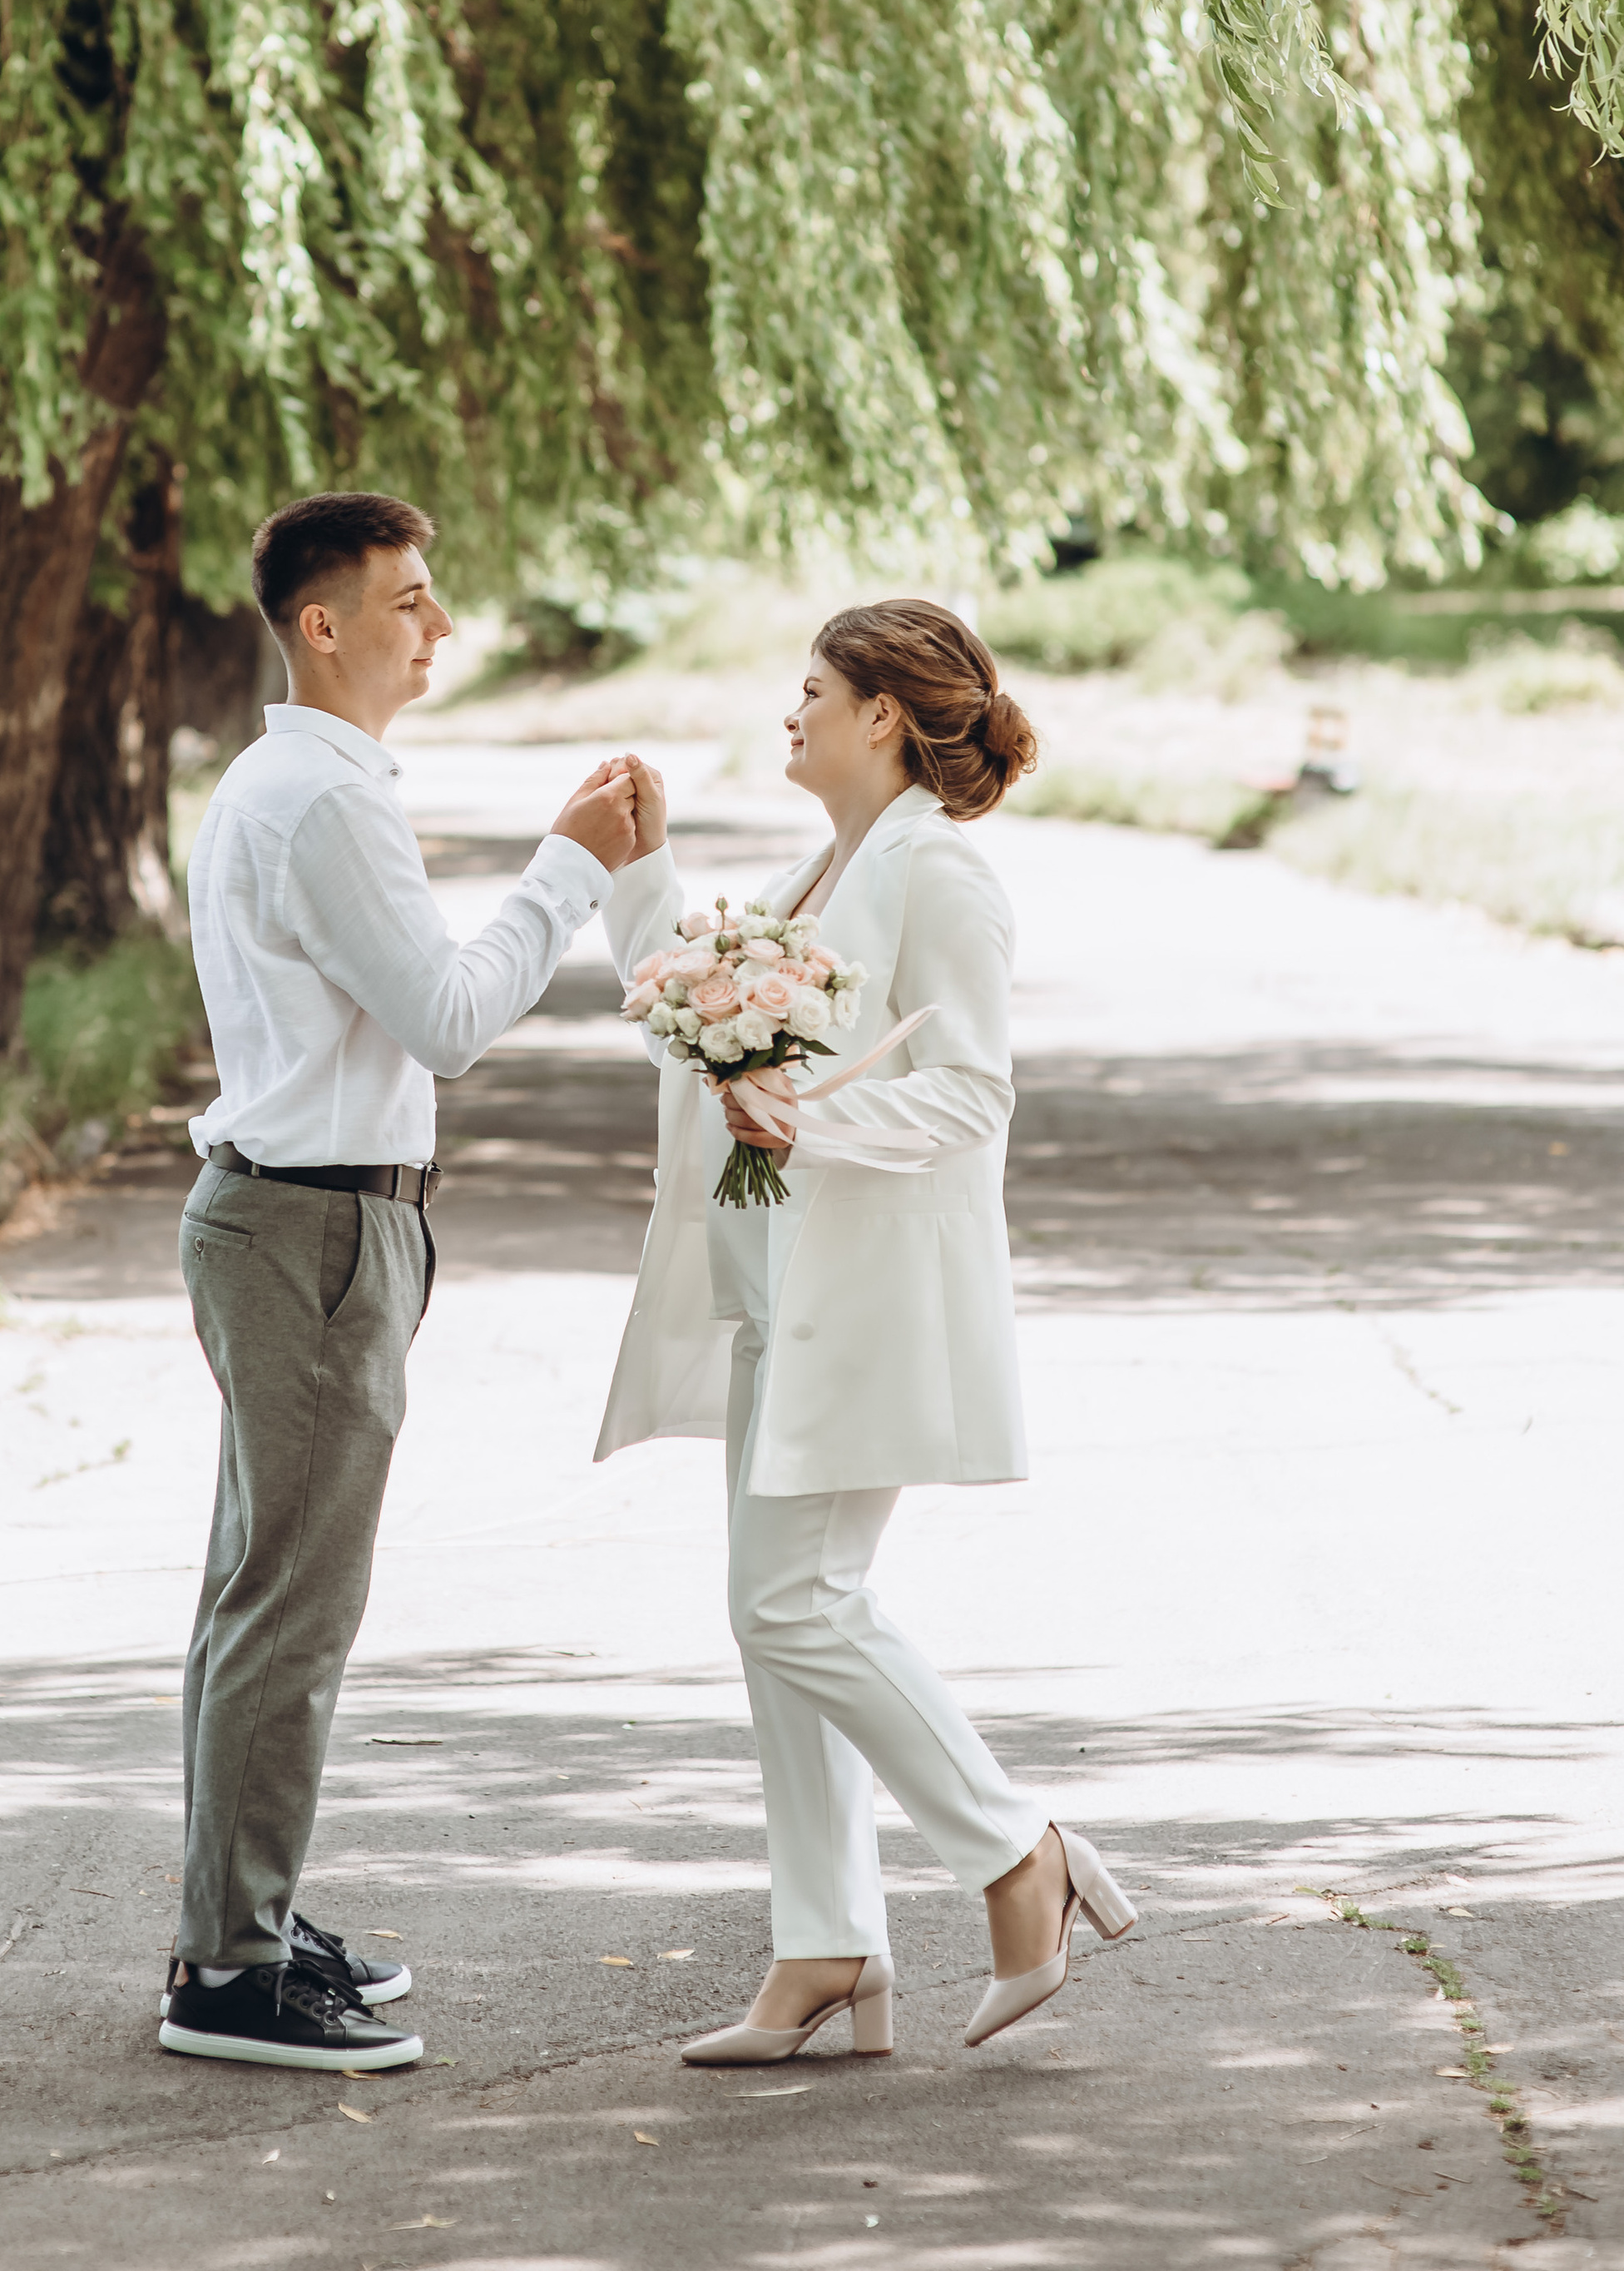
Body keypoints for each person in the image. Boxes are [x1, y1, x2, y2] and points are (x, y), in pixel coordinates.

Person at [597, 597, 1136, 2065]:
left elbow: (973, 1091)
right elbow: (690, 1013)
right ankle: (824, 1952)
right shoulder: (820, 867)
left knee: (791, 1603)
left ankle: (1019, 1852)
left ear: (884, 714)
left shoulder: (940, 874)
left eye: (816, 688)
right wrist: (639, 875)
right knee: (780, 1627)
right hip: (781, 1293)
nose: (795, 710)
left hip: (871, 1305)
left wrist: (811, 1124)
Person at [161, 488, 638, 2072]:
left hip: (302, 1220)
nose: (439, 626)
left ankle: (243, 1919)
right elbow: (445, 1014)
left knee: (262, 1594)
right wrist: (567, 870)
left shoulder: (294, 777)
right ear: (324, 623)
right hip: (309, 1230)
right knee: (293, 1607)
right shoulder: (321, 798)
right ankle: (229, 1976)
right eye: (412, 600)